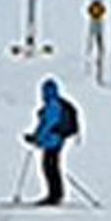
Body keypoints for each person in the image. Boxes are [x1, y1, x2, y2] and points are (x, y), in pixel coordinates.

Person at [22, 78, 75, 206]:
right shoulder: (53, 105)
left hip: (54, 140)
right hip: (54, 140)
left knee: (50, 167)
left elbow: (48, 125)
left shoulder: (52, 106)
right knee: (51, 166)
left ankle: (55, 195)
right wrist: (36, 137)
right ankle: (56, 194)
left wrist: (37, 138)